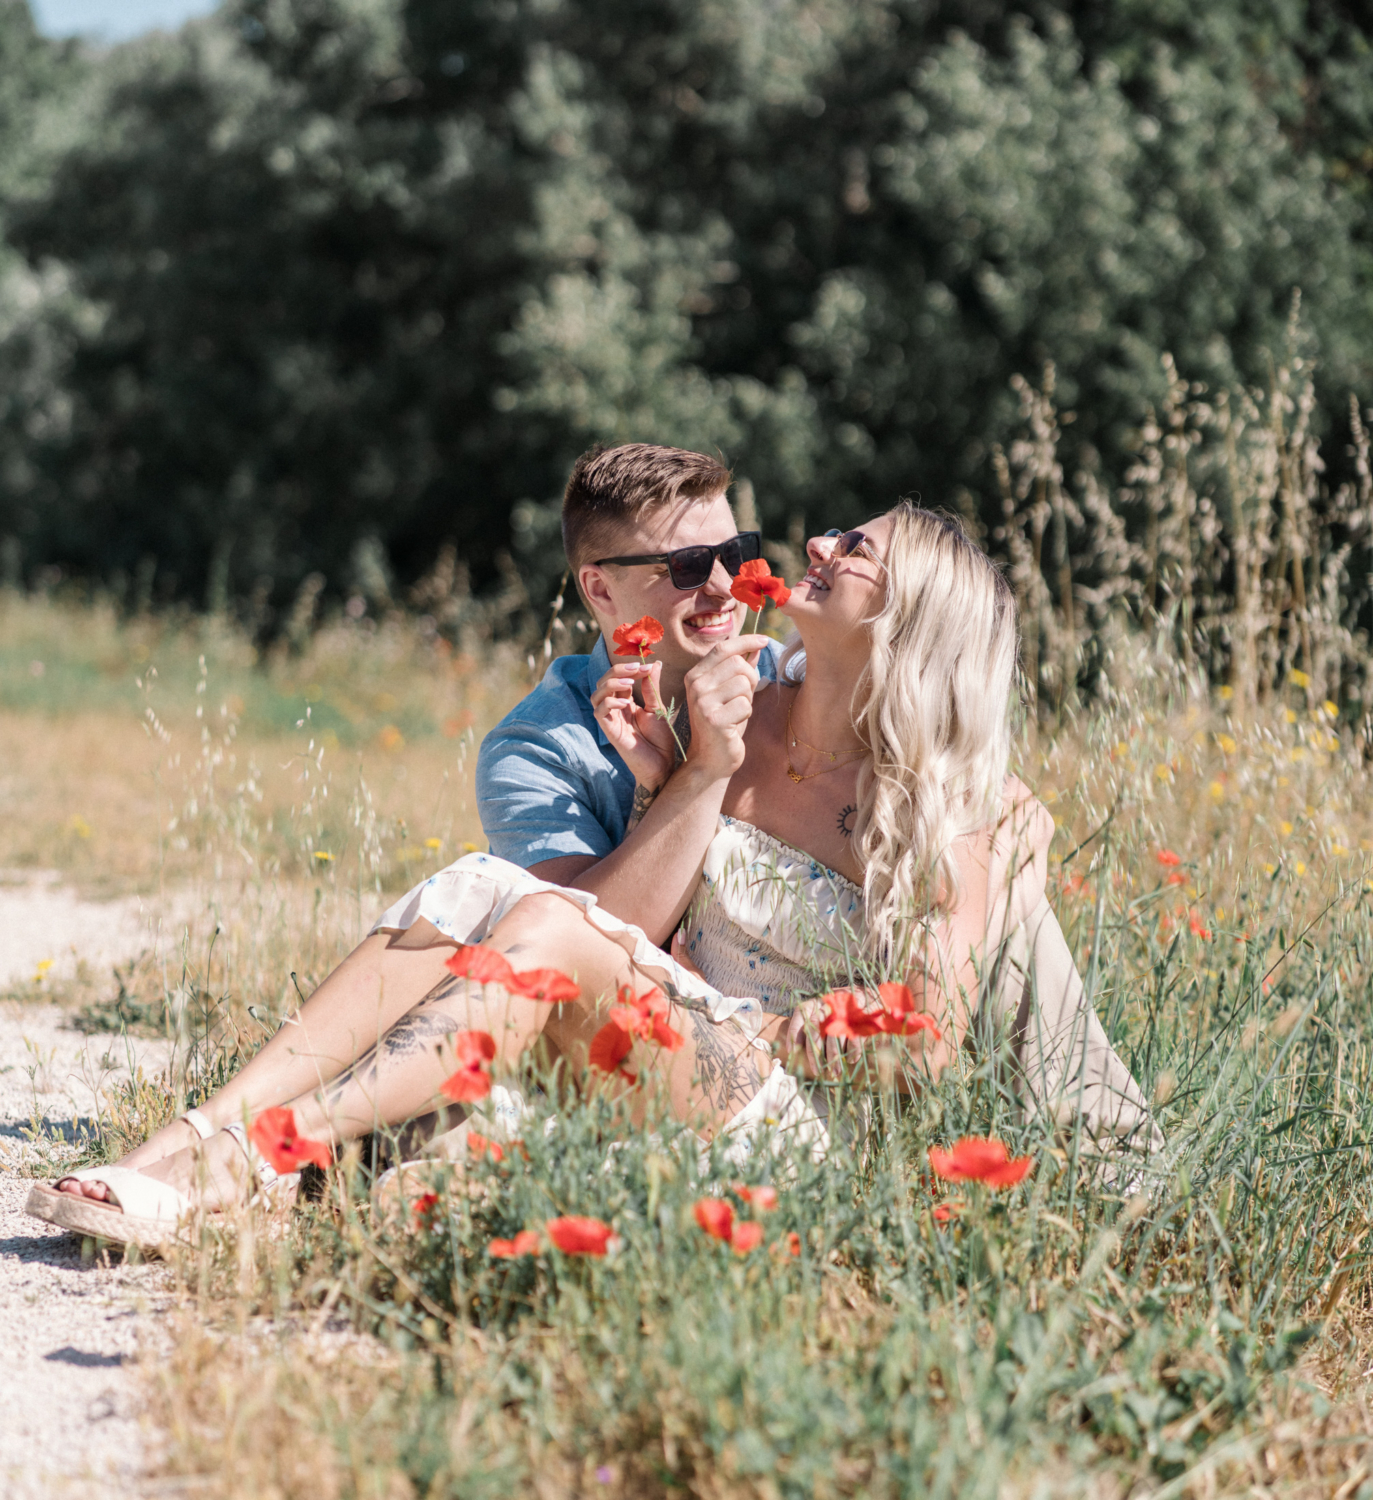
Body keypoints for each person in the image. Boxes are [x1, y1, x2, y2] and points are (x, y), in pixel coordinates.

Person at [29, 477, 1158, 1247]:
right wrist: (683, 774)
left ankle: (251, 1161)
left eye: (853, 550)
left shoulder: (953, 811)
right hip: (661, 1048)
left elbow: (927, 1041)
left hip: (790, 1124)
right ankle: (203, 1145)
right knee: (491, 888)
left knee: (534, 918)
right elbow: (650, 923)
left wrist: (822, 1028)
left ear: (911, 616)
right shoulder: (738, 708)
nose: (809, 545)